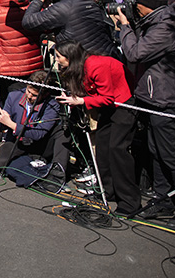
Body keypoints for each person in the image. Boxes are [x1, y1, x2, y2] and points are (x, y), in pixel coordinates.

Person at [115, 0, 175, 227]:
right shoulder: (155, 22)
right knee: (156, 153)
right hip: (153, 97)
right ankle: (162, 199)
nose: (134, 7)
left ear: (149, 6)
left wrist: (125, 27)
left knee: (171, 157)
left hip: (166, 100)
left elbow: (135, 53)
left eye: (138, 4)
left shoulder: (165, 29)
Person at [54, 41, 140, 216]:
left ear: (69, 56)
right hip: (108, 106)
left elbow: (107, 97)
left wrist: (82, 101)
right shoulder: (80, 67)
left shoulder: (96, 65)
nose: (57, 61)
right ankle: (106, 192)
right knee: (102, 147)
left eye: (58, 57)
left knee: (117, 149)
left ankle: (130, 202)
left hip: (123, 103)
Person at [22, 0, 117, 57]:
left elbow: (28, 22)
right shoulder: (85, 0)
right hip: (102, 56)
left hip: (83, 62)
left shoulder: (64, 7)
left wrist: (38, 0)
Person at [0, 70, 61, 168]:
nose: (29, 96)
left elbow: (38, 133)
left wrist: (11, 124)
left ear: (45, 95)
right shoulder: (13, 96)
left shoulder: (52, 106)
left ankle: (35, 164)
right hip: (16, 142)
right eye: (28, 91)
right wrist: (1, 119)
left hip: (39, 144)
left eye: (34, 95)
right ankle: (30, 164)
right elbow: (0, 126)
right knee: (2, 163)